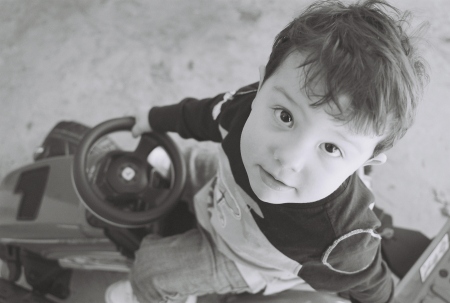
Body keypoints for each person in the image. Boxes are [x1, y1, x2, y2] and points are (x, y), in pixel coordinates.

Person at [105, 0, 429, 302]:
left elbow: (367, 279)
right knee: (187, 159)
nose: (288, 158)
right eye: (285, 116)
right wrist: (153, 117)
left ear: (364, 163)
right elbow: (199, 115)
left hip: (242, 257)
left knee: (151, 271)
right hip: (224, 186)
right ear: (259, 88)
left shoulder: (341, 235)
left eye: (331, 147)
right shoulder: (239, 108)